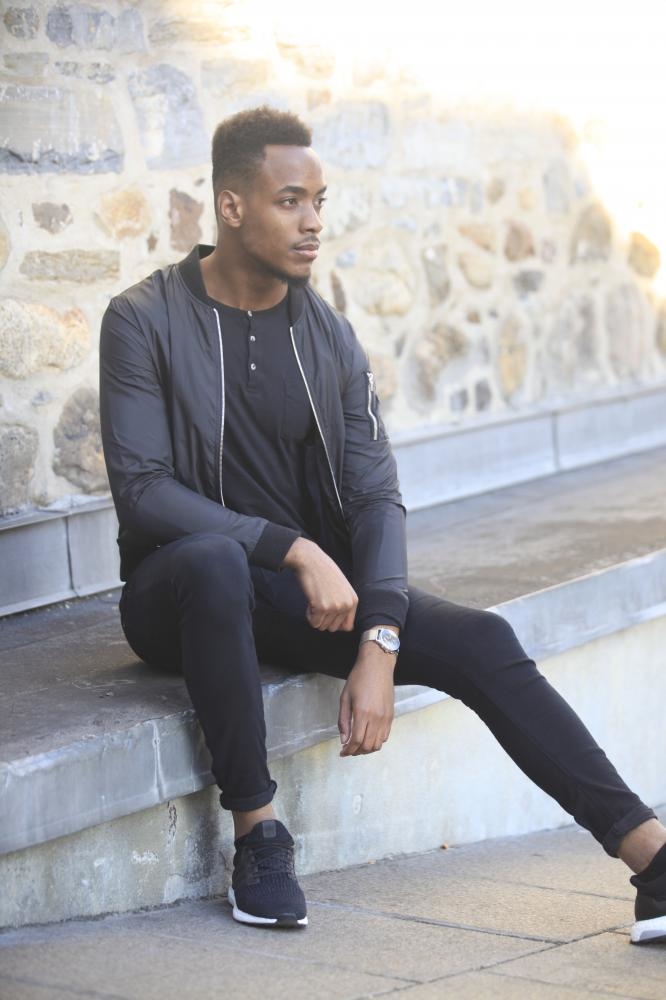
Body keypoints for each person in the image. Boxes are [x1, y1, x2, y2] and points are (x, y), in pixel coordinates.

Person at [99, 106, 666, 940]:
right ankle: (258, 836)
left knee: (482, 640)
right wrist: (293, 548)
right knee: (215, 558)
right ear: (231, 207)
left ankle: (652, 859)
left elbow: (375, 497)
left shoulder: (327, 336)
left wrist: (381, 637)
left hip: (297, 597)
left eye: (319, 201)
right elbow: (144, 490)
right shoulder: (143, 319)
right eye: (290, 201)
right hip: (176, 592)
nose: (313, 222)